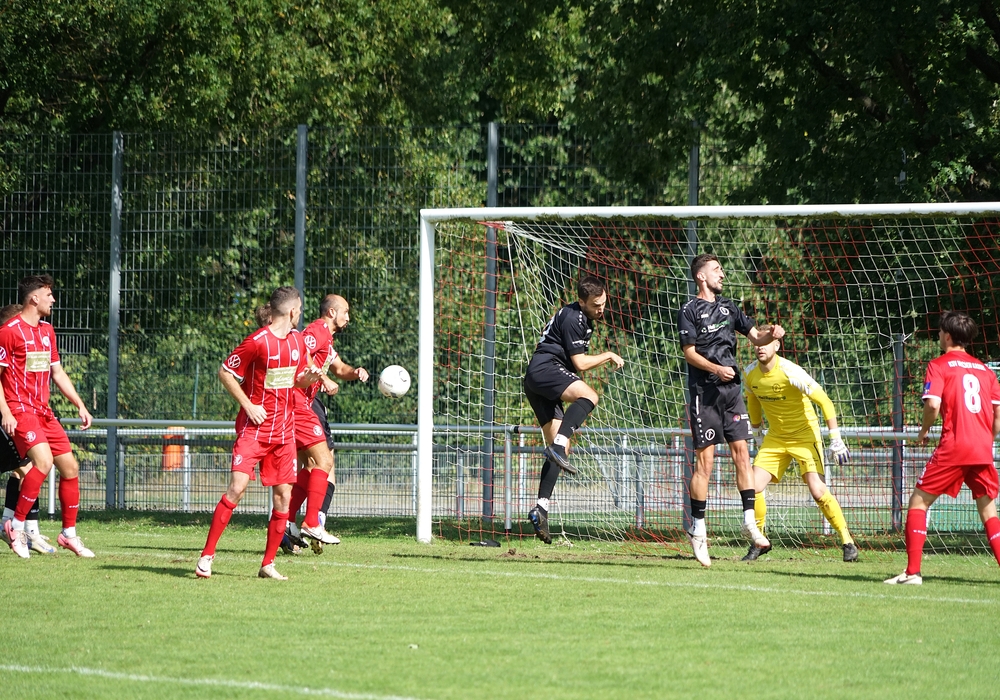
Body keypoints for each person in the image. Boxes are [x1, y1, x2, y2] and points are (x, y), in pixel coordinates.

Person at [195, 286, 320, 580]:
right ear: (292, 311)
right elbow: (225, 372)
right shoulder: (257, 342)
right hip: (254, 430)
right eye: (300, 309)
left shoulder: (297, 341)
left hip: (284, 433)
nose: (300, 314)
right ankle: (206, 556)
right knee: (237, 488)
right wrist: (248, 405)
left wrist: (309, 378)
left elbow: (296, 381)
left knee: (283, 498)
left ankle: (267, 564)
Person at [678, 253, 784, 567]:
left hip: (731, 393)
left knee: (742, 455)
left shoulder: (729, 307)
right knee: (705, 464)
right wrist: (715, 369)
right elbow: (689, 353)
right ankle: (698, 530)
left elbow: (756, 336)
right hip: (705, 394)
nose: (722, 274)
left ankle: (750, 522)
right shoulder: (689, 310)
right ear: (701, 276)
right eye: (716, 269)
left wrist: (772, 333)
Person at [885, 311, 1000, 585]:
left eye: (939, 332)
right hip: (982, 448)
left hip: (954, 446)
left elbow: (933, 405)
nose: (938, 335)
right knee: (989, 510)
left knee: (918, 501)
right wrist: (987, 439)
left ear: (947, 336)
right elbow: (998, 416)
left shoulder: (939, 365)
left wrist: (924, 430)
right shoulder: (986, 371)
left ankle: (912, 572)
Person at [522, 274, 624, 544]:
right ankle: (557, 446)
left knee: (561, 448)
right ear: (581, 302)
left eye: (603, 303)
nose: (601, 309)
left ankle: (541, 508)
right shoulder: (573, 317)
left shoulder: (583, 317)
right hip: (545, 370)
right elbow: (579, 363)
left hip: (537, 378)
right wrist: (608, 355)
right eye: (595, 305)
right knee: (590, 396)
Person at [0, 276, 94, 559]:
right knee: (43, 462)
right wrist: (5, 412)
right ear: (34, 298)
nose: (53, 299)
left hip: (44, 412)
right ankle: (16, 527)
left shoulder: (47, 331)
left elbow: (57, 372)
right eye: (49, 294)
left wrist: (79, 404)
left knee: (70, 467)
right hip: (20, 410)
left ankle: (69, 534)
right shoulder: (8, 332)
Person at [742, 338, 858, 562]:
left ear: (777, 346)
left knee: (817, 490)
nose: (760, 347)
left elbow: (825, 401)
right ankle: (759, 541)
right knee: (752, 487)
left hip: (805, 436)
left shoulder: (791, 371)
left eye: (766, 342)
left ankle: (847, 542)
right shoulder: (749, 374)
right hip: (775, 438)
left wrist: (835, 439)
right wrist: (756, 432)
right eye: (757, 342)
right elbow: (753, 399)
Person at [284, 294, 369, 554]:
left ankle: (287, 522)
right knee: (324, 461)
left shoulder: (327, 339)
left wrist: (355, 372)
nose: (348, 317)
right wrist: (322, 379)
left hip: (302, 402)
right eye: (345, 311)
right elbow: (301, 351)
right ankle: (312, 522)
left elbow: (340, 368)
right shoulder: (318, 330)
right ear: (331, 312)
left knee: (312, 466)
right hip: (298, 401)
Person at [0, 303, 56, 555]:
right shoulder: (7, 342)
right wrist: (7, 412)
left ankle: (16, 525)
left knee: (26, 469)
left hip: (19, 415)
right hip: (8, 416)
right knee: (30, 468)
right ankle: (21, 527)